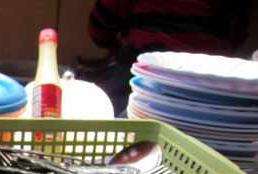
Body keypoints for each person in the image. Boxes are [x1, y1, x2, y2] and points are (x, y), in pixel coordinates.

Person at [80, 0, 255, 117]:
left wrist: (114, 45)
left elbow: (99, 31)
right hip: (215, 88)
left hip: (145, 77)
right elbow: (237, 39)